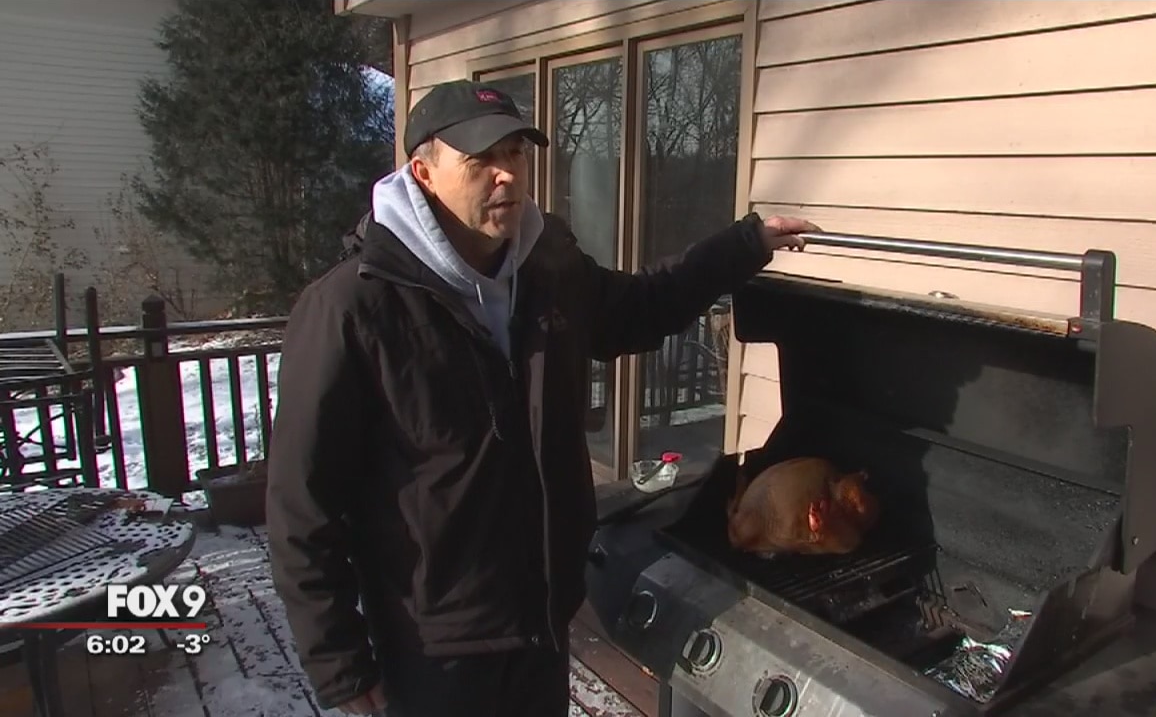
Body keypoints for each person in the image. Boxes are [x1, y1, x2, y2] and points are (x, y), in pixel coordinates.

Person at [265, 78, 819, 716]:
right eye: (481, 159)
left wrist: (744, 246)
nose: (506, 174)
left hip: (542, 622)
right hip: (433, 648)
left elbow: (641, 306)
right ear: (423, 172)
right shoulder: (352, 307)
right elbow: (303, 503)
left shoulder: (548, 269)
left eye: (515, 154)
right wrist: (338, 662)